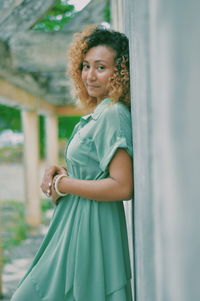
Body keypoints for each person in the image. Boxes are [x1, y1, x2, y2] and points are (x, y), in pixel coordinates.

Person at [11, 24, 134, 301]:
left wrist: (63, 183)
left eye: (101, 67)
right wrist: (64, 172)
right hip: (74, 221)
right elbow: (95, 172)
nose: (90, 75)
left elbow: (122, 186)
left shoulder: (113, 114)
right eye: (86, 65)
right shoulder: (100, 112)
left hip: (93, 226)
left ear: (120, 72)